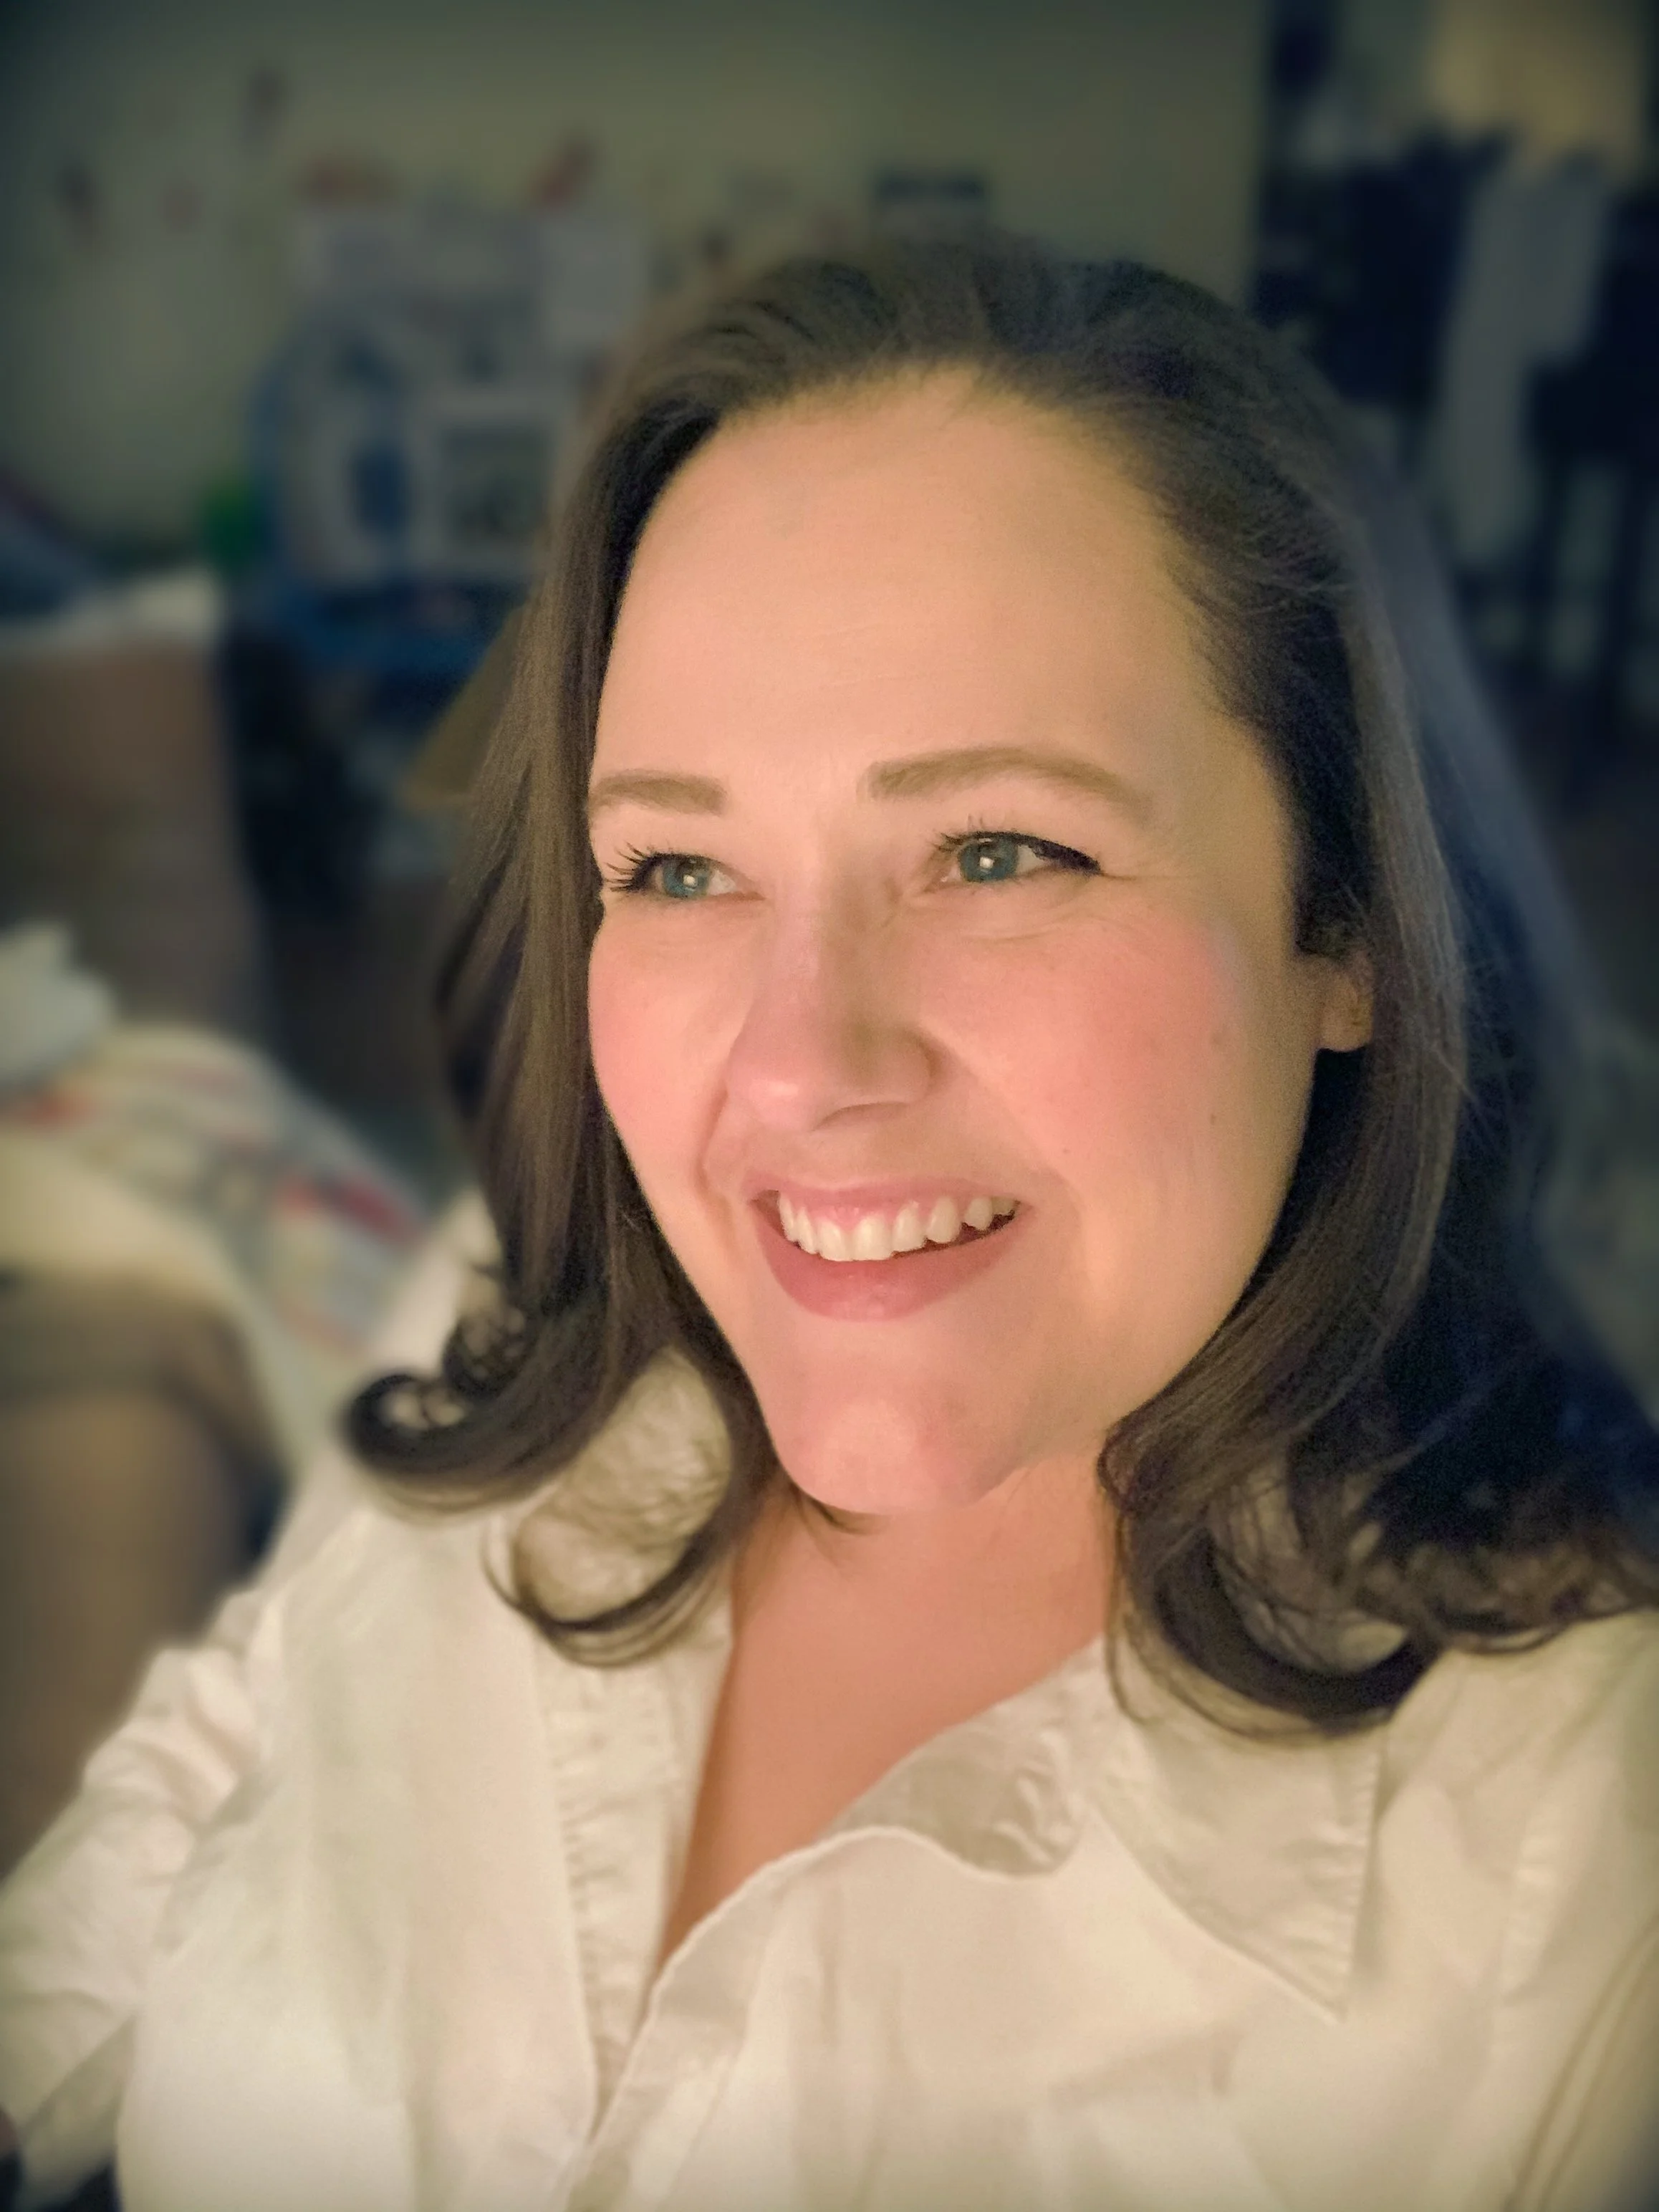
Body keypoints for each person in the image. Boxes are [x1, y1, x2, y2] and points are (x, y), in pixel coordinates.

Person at [1, 239, 1657, 2212]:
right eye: (681, 866)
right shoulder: (515, 1322)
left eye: (997, 850)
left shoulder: (1585, 1877)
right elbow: (218, 1759)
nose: (792, 1074)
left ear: (1348, 927)